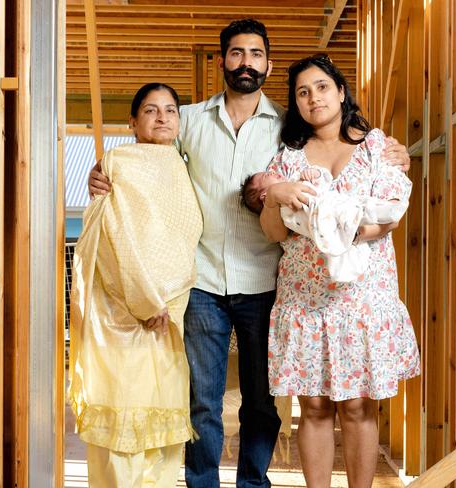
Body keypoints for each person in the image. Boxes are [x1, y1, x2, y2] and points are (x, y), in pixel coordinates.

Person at [88, 19, 412, 488]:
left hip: (266, 279)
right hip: (202, 280)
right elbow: (148, 150)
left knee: (263, 401)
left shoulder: (289, 127)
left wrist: (393, 152)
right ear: (222, 61)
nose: (246, 63)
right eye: (236, 54)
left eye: (255, 54)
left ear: (267, 63)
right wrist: (103, 171)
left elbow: (349, 146)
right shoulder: (190, 120)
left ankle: (253, 483)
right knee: (203, 399)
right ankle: (203, 483)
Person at [258, 54, 421, 488]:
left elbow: (388, 218)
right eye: (303, 92)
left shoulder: (376, 148)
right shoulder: (287, 160)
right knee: (312, 407)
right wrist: (276, 195)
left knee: (356, 407)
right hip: (305, 300)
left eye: (322, 87)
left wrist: (327, 228)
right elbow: (274, 232)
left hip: (362, 298)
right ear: (295, 103)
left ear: (341, 92)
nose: (314, 98)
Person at [69, 83, 203, 487]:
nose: (162, 117)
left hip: (171, 314)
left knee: (162, 432)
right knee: (122, 425)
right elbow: (113, 237)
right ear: (132, 121)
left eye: (170, 110)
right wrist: (145, 301)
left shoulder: (183, 164)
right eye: (150, 110)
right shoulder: (118, 163)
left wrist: (167, 303)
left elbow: (182, 236)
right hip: (126, 314)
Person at [240, 166, 409, 282]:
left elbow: (322, 183)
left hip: (335, 203)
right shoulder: (283, 210)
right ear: (264, 196)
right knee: (349, 217)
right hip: (324, 217)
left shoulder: (294, 179)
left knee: (359, 206)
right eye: (266, 176)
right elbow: (297, 224)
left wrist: (314, 174)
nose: (272, 172)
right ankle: (374, 216)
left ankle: (383, 211)